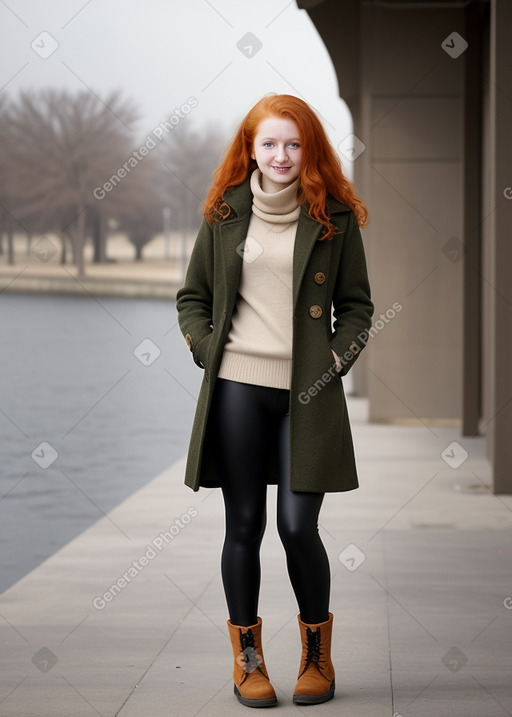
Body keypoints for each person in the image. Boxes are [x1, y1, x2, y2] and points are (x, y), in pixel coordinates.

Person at [176, 93, 373, 708]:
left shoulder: (333, 216)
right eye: (269, 143)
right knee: (244, 525)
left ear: (308, 147)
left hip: (307, 395)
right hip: (238, 388)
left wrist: (336, 359)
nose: (281, 155)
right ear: (250, 148)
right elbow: (193, 298)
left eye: (293, 143)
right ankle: (249, 663)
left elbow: (359, 308)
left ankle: (317, 658)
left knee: (297, 526)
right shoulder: (222, 213)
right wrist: (210, 351)